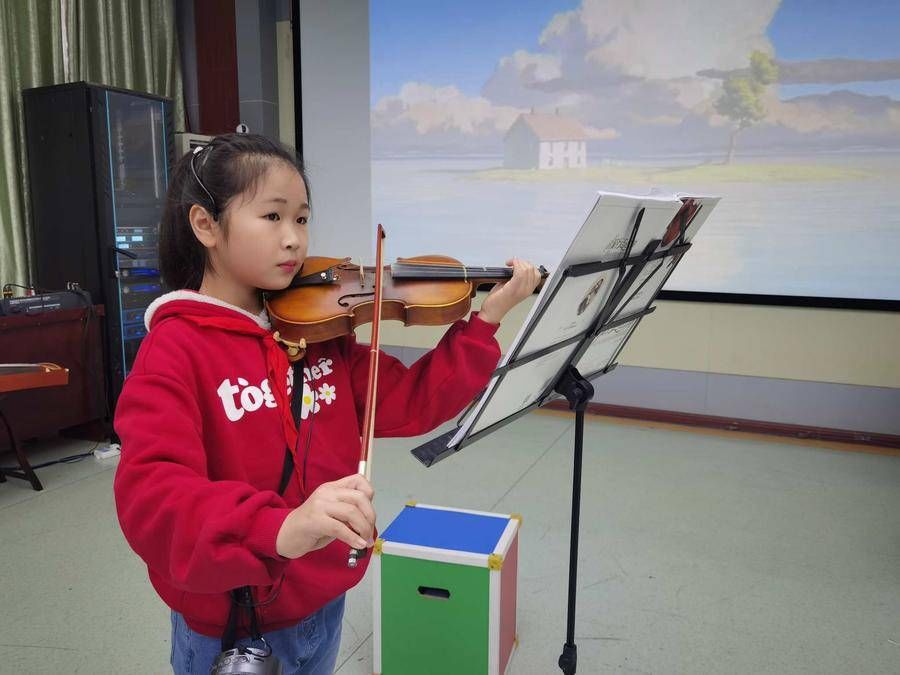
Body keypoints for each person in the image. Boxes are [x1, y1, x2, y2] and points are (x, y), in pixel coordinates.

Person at [113, 133, 542, 674]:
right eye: (272, 217)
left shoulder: (317, 334)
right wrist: (279, 529)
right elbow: (154, 500)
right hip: (233, 627)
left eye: (302, 218)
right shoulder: (175, 349)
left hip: (324, 597)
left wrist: (485, 321)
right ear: (206, 226)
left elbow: (410, 401)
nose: (294, 240)